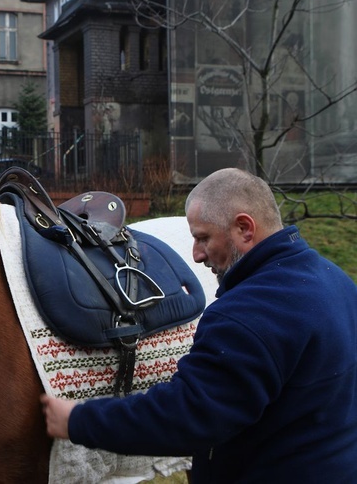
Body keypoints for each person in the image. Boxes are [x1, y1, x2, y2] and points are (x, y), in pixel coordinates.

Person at [41, 167, 357, 483]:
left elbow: (187, 416)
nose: (196, 255)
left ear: (245, 228)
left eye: (203, 238)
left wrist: (76, 420)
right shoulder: (338, 280)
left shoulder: (247, 314)